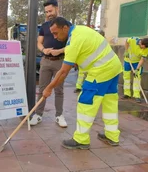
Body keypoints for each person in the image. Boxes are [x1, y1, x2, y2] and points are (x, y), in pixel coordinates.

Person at [43, 17, 122, 150]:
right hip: (114, 67)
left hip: (100, 70)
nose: (55, 37)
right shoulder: (81, 29)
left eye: (56, 33)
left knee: (86, 103)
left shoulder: (74, 41)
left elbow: (63, 72)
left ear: (65, 28)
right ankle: (112, 135)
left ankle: (81, 139)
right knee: (110, 103)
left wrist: (49, 88)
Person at [30, 0, 70, 128]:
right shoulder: (44, 26)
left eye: (50, 10)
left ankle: (59, 115)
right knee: (42, 89)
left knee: (59, 90)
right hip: (45, 61)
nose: (48, 14)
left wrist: (59, 51)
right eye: (46, 12)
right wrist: (43, 49)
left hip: (60, 62)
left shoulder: (66, 25)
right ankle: (38, 114)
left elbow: (72, 45)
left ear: (57, 8)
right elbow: (39, 42)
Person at [123, 37, 148, 103]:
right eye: (142, 46)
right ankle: (127, 94)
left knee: (137, 78)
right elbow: (127, 41)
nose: (142, 48)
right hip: (128, 61)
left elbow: (142, 59)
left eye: (144, 47)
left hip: (137, 63)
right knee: (126, 77)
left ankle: (136, 96)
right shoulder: (133, 40)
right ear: (140, 43)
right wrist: (126, 51)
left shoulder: (146, 49)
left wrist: (137, 69)